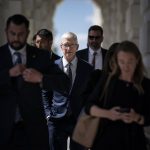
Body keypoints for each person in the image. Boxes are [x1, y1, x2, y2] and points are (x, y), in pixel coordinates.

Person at [0, 14, 69, 150]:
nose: (16, 38)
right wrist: (8, 74)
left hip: (33, 133)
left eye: (21, 34)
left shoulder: (40, 56)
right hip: (3, 131)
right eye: (12, 33)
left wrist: (41, 78)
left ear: (27, 33)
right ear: (6, 32)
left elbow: (64, 82)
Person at [84, 41, 150, 150]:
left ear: (137, 60)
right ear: (116, 61)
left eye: (130, 62)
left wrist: (137, 118)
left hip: (135, 143)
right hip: (106, 142)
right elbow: (88, 107)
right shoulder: (107, 81)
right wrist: (108, 114)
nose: (125, 67)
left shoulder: (146, 84)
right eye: (122, 62)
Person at [43, 32, 94, 150]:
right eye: (65, 45)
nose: (69, 48)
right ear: (61, 47)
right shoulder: (52, 68)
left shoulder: (87, 69)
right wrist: (48, 114)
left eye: (72, 45)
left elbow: (90, 94)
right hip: (56, 120)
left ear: (77, 47)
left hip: (79, 120)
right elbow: (45, 92)